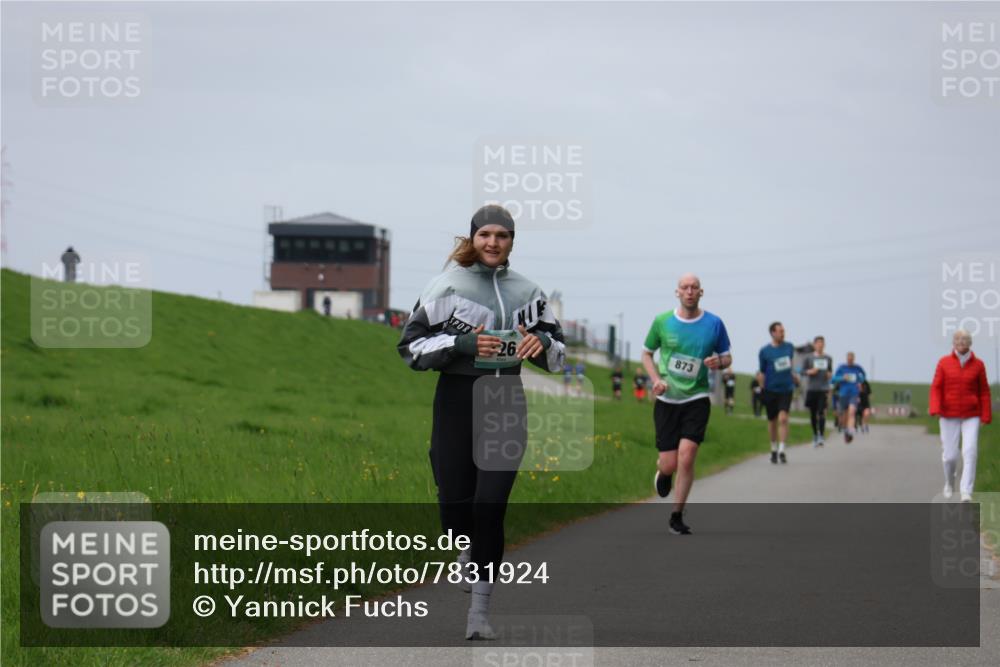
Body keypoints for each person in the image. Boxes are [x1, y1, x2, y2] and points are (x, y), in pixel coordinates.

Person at [397, 204, 565, 639]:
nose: (494, 242)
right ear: (473, 238)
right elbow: (410, 348)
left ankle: (479, 615)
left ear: (512, 241)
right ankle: (462, 545)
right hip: (455, 402)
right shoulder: (445, 285)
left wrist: (542, 343)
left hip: (506, 404)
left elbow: (560, 354)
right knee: (456, 508)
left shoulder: (529, 293)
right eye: (486, 234)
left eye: (503, 235)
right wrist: (463, 343)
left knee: (489, 508)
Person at [642, 273, 732, 535]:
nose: (690, 291)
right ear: (677, 292)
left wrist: (720, 363)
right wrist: (656, 379)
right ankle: (664, 473)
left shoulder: (714, 324)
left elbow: (727, 357)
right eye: (685, 287)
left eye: (694, 287)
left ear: (701, 293)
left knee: (688, 455)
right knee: (669, 463)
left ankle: (676, 515)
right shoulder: (662, 322)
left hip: (697, 397)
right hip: (667, 399)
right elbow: (647, 353)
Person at [929, 329, 992, 502]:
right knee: (950, 456)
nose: (961, 343)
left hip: (972, 414)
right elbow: (936, 387)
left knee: (970, 451)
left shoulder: (978, 365)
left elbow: (984, 391)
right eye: (958, 340)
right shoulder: (944, 363)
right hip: (949, 414)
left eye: (964, 340)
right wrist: (935, 407)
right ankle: (950, 482)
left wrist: (986, 414)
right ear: (953, 343)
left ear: (970, 343)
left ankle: (966, 491)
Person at [757, 322, 798, 464]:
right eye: (780, 331)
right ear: (773, 333)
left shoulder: (789, 347)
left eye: (783, 331)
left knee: (783, 418)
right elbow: (761, 372)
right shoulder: (764, 351)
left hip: (786, 389)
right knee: (772, 421)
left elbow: (790, 365)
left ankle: (782, 449)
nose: (783, 333)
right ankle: (773, 448)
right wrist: (761, 389)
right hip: (770, 389)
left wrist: (794, 376)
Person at [802, 335, 834, 447]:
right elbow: (802, 371)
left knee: (821, 412)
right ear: (814, 345)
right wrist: (810, 371)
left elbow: (830, 372)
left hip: (823, 388)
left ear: (824, 345)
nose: (820, 345)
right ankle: (815, 434)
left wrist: (829, 375)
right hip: (812, 388)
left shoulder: (828, 358)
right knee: (813, 413)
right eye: (818, 343)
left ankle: (821, 436)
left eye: (822, 343)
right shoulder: (808, 358)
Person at [831, 352, 866, 443]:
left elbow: (863, 376)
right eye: (849, 359)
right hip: (843, 394)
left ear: (854, 359)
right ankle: (846, 430)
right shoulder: (841, 367)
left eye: (852, 359)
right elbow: (833, 379)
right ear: (846, 359)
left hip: (854, 393)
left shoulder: (857, 368)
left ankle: (850, 430)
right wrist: (842, 378)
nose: (850, 360)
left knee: (852, 411)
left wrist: (860, 382)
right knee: (843, 416)